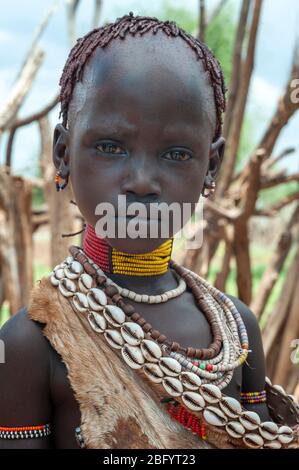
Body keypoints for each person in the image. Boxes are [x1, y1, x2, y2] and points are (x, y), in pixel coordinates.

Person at [0, 13, 298, 450]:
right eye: (110, 147)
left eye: (176, 154)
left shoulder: (236, 329)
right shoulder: (31, 343)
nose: (141, 180)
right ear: (63, 154)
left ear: (209, 167)